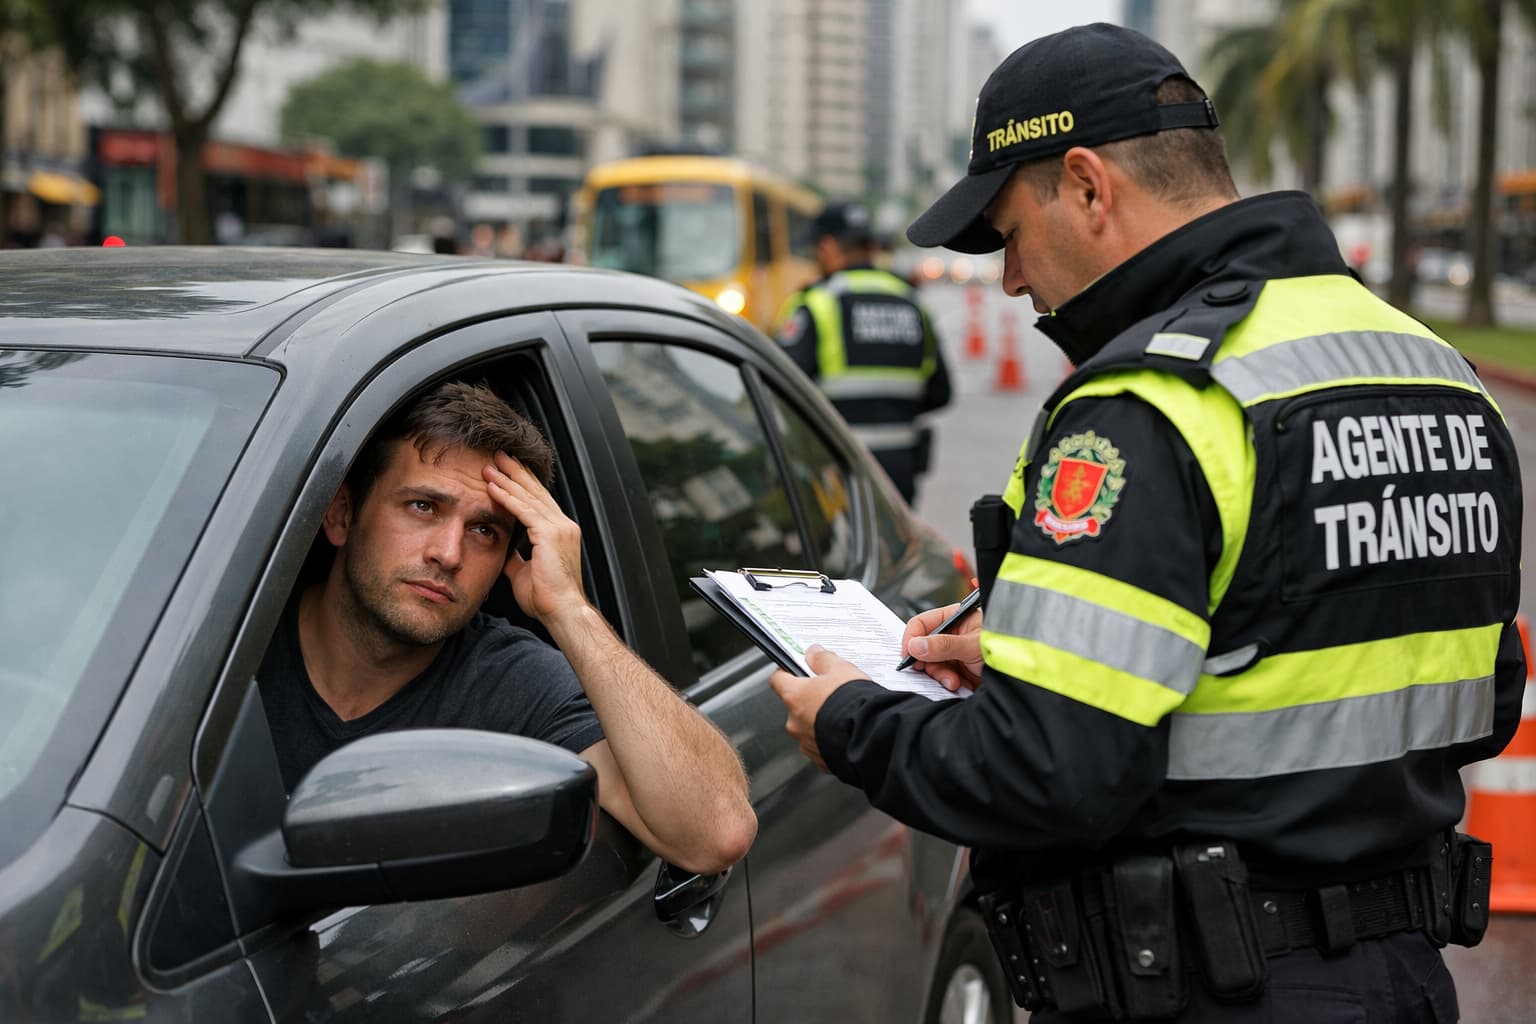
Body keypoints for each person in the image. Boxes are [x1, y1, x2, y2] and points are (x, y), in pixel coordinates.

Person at [768, 22, 1523, 1022]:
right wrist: (1054, 654)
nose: (1009, 279)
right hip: (1401, 979)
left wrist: (857, 721)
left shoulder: (1151, 401)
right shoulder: (1435, 371)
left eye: (1006, 234)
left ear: (1087, 185)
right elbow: (1479, 687)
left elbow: (1051, 776)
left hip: (1214, 987)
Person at [259, 380, 756, 875]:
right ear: (342, 515)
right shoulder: (233, 651)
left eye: (484, 531)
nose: (448, 554)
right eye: (423, 507)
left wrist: (568, 608)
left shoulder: (511, 682)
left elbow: (716, 833)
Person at [773, 201, 952, 504]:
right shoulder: (912, 303)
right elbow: (941, 393)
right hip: (900, 469)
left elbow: (780, 390)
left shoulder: (817, 304)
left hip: (836, 468)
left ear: (828, 246)